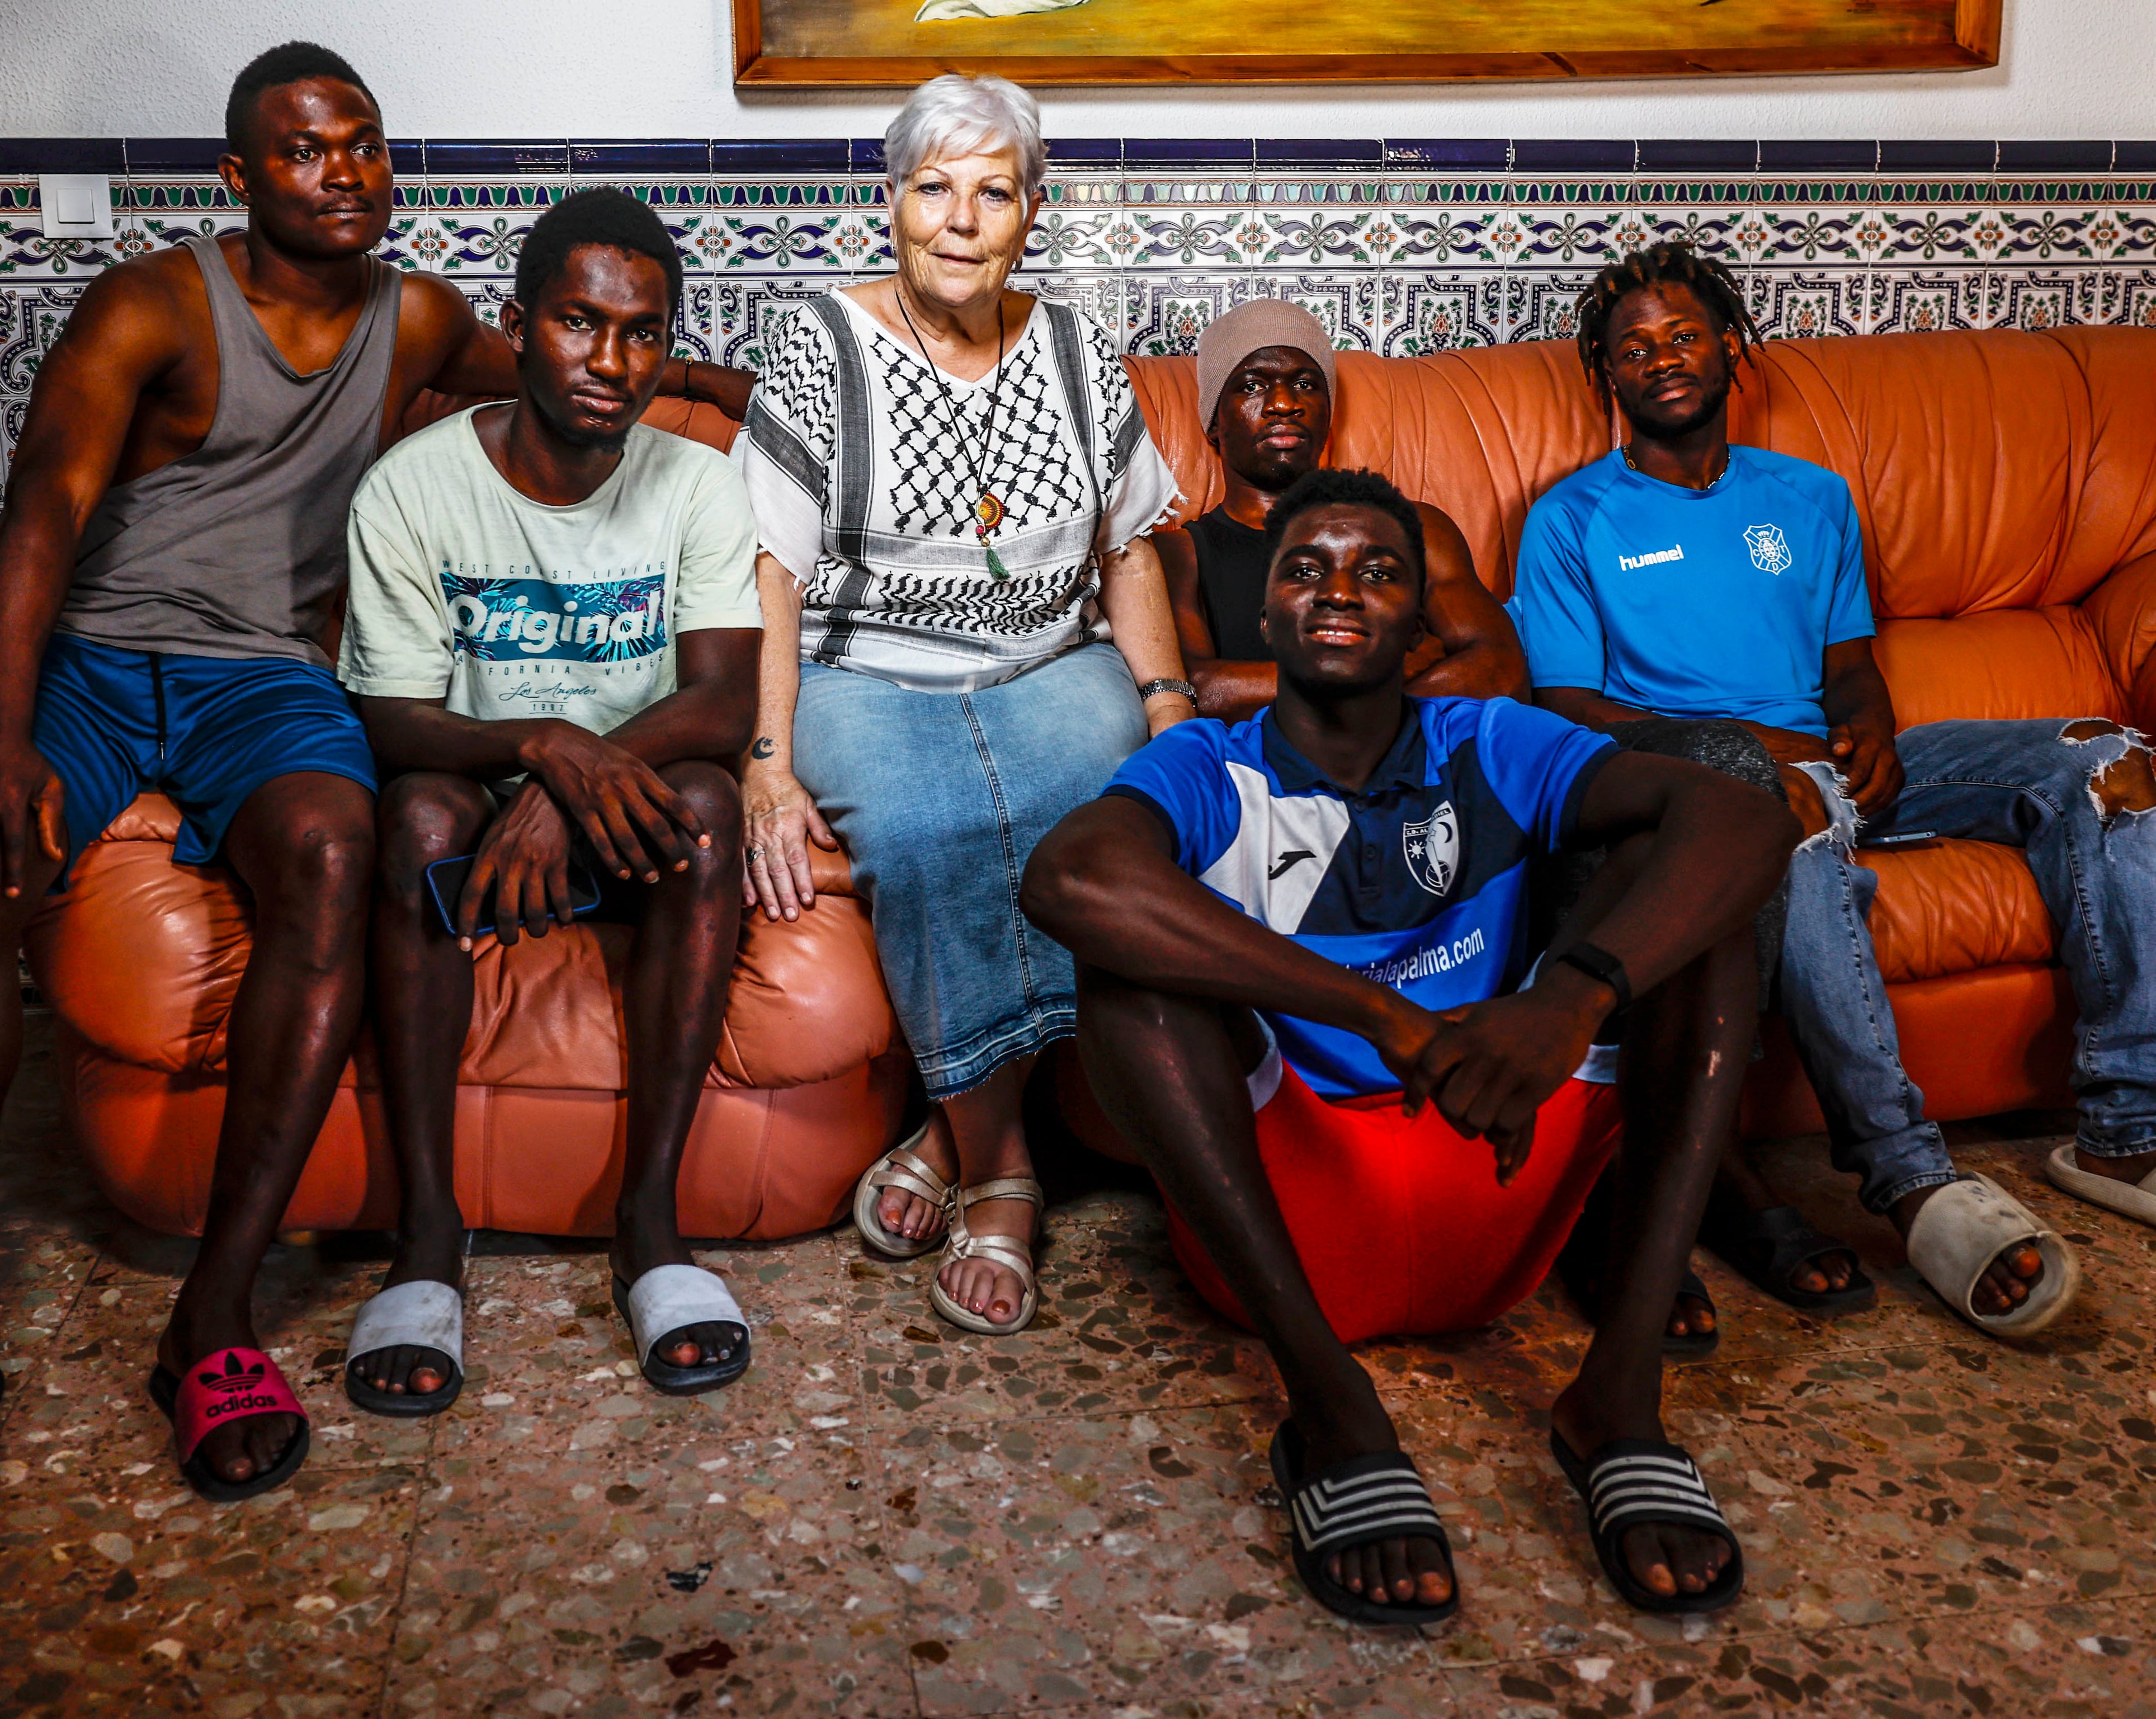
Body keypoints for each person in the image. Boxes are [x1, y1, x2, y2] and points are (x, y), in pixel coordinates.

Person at [0, 43, 530, 1526]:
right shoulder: (154, 303)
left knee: (338, 854)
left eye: (363, 143)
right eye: (304, 150)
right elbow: (45, 497)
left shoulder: (413, 311)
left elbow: (543, 361)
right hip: (93, 661)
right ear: (239, 176)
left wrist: (703, 375)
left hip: (266, 682)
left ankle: (213, 1320)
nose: (345, 170)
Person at [1513, 243, 2156, 1344]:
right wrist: (1757, 746)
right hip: (1721, 777)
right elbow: (1567, 704)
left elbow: (1848, 657)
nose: (1661, 358)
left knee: (2103, 759)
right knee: (1786, 820)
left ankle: (2131, 1125)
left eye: (1683, 335)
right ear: (1605, 377)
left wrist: (1870, 723)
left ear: (1732, 350)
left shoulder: (1807, 498)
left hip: (1836, 753)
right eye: (1632, 348)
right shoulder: (1574, 518)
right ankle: (1913, 1178)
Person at [1024, 467, 1796, 1622]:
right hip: (1290, 1220)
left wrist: (1569, 997)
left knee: (1699, 913)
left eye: (1377, 569)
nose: (1339, 588)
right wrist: (1387, 1016)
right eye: (1306, 568)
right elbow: (1069, 875)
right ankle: (1332, 1411)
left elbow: (1744, 815)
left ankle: (1619, 1400)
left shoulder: (1490, 736)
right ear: (1267, 612)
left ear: (1420, 618)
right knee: (1129, 967)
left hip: (1494, 1169)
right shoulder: (1208, 762)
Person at [734, 73, 1193, 1337]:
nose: (959, 218)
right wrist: (766, 761)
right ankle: (1006, 1171)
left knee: (1081, 810)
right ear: (891, 205)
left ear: (1031, 213)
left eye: (992, 192)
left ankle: (942, 1139)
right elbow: (766, 570)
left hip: (1051, 667)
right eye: (933, 188)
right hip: (862, 672)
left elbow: (1130, 552)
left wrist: (1166, 706)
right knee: (935, 821)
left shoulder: (1079, 351)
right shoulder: (820, 342)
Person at [338, 190, 762, 1407]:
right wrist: (543, 745)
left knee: (707, 803)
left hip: (625, 810)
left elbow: (723, 704)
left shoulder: (695, 479)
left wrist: (573, 785)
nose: (611, 361)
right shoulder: (412, 486)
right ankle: (427, 1233)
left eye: (642, 333)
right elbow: (393, 718)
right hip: (476, 798)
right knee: (413, 811)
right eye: (581, 324)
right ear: (519, 326)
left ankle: (649, 1220)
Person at [1152, 298, 1522, 722]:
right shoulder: (1180, 554)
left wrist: (1289, 691)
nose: (1283, 403)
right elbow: (1198, 690)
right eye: (1253, 385)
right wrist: (1383, 673)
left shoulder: (1415, 527)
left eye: (1306, 384)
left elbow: (1501, 673)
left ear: (1328, 413)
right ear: (1214, 422)